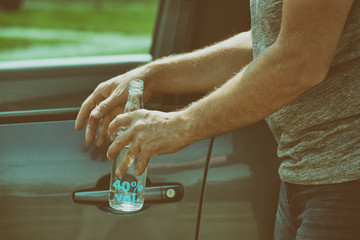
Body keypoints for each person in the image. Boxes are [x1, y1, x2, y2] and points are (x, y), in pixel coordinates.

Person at [75, 0, 360, 239]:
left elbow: (300, 59)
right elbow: (270, 42)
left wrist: (179, 125)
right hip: (301, 175)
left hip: (345, 178)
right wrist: (154, 75)